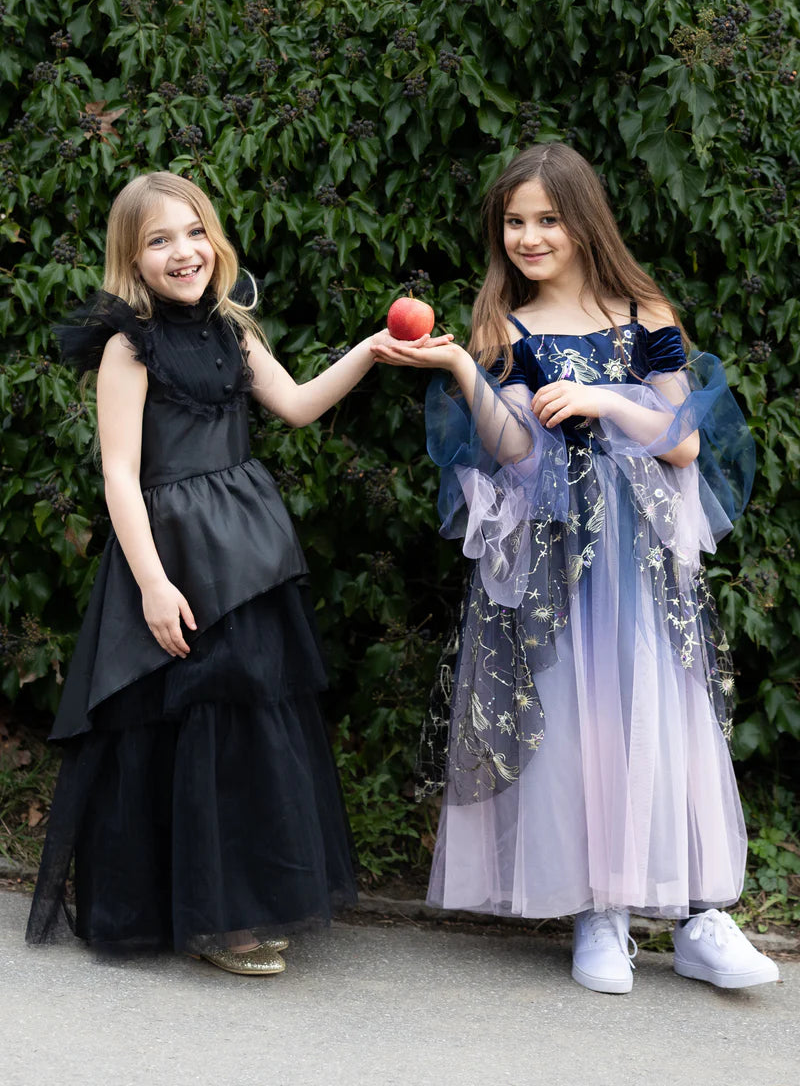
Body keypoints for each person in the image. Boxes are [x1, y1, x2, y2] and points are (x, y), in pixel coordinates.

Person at [372, 142, 779, 994]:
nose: (528, 237)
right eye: (514, 222)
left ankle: (700, 915)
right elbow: (516, 455)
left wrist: (601, 398)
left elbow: (684, 444)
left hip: (641, 561)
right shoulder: (506, 327)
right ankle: (601, 912)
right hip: (560, 558)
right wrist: (460, 367)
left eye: (548, 219)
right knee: (574, 722)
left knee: (659, 714)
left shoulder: (642, 313)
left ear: (584, 221)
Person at [26, 170, 450, 975]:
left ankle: (243, 903)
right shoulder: (127, 347)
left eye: (194, 233)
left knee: (248, 727)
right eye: (159, 240)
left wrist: (371, 349)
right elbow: (119, 475)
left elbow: (298, 404)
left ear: (214, 241)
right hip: (172, 556)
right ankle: (210, 920)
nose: (182, 252)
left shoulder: (232, 330)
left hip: (247, 555)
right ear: (132, 257)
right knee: (180, 728)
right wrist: (152, 584)